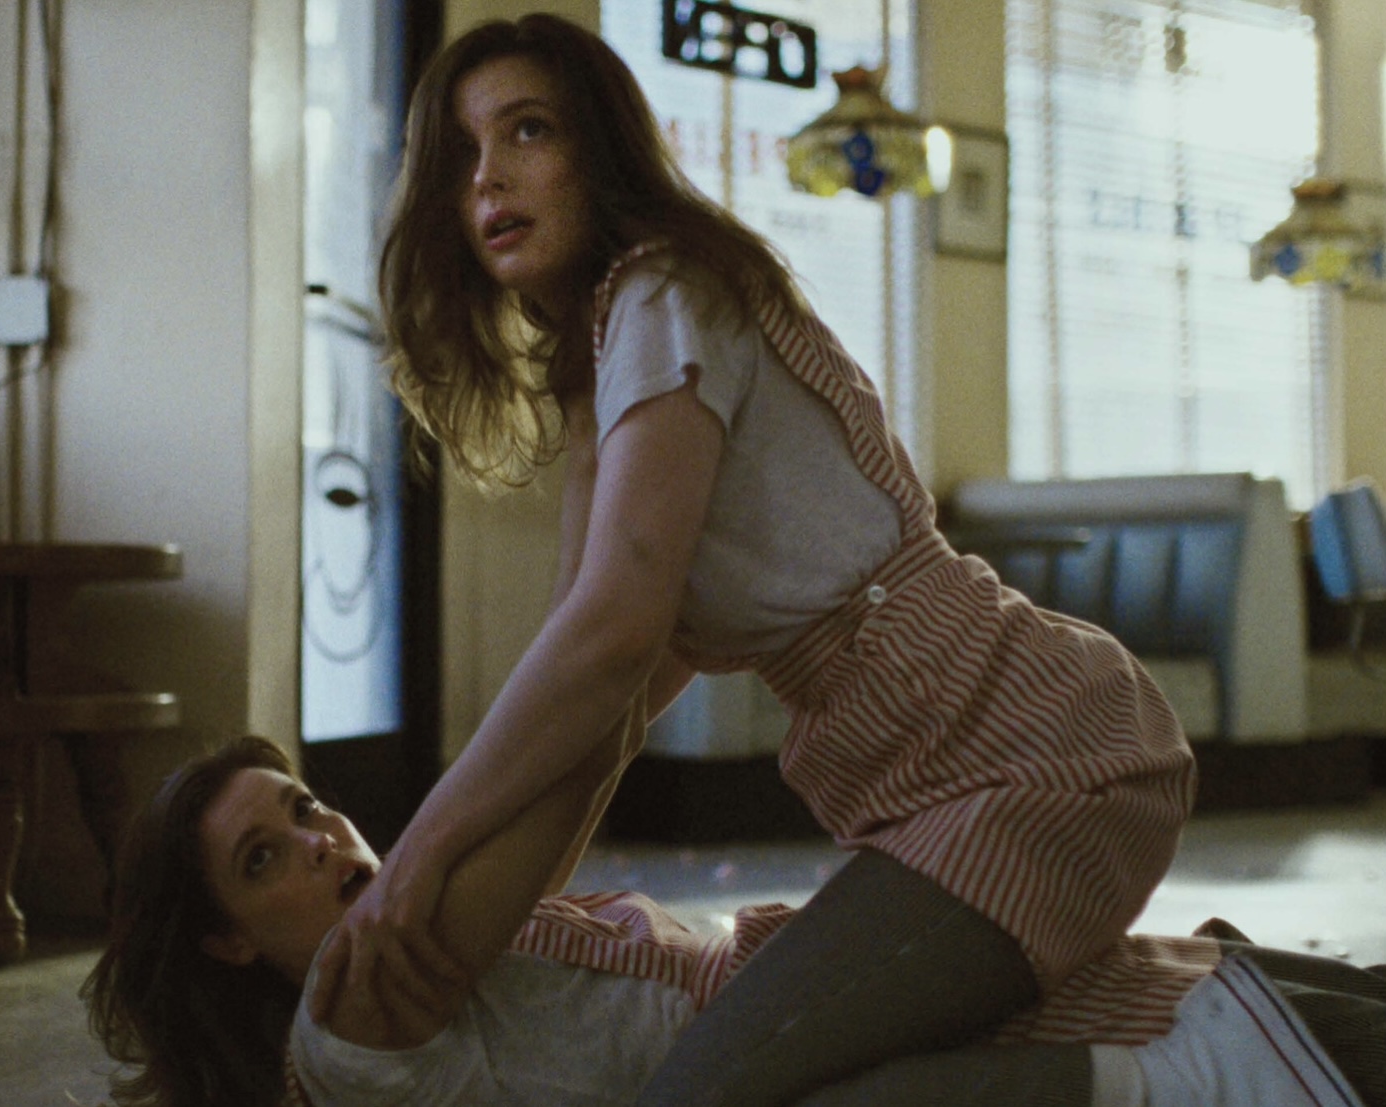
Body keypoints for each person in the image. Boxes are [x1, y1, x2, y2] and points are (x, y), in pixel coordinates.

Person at [320, 13, 1197, 1105]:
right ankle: (1249, 1022)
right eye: (461, 154)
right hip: (952, 784)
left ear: (601, 148)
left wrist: (414, 858)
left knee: (717, 1092)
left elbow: (610, 639)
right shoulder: (605, 364)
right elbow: (594, 713)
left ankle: (1193, 1079)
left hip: (1036, 761)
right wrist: (454, 950)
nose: (488, 177)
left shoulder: (666, 290)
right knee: (792, 1060)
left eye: (528, 131)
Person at [81, 735, 1384, 1107]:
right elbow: (562, 775)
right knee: (1208, 1027)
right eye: (268, 857)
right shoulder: (343, 1029)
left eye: (307, 807)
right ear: (228, 939)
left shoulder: (427, 929)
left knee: (1168, 975)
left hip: (792, 995)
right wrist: (629, 645)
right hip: (800, 1052)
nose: (324, 841)